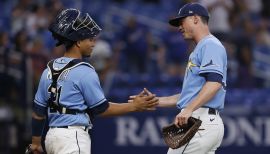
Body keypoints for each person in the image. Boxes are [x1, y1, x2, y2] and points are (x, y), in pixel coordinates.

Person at [30, 8, 158, 154]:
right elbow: (102, 109)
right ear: (78, 42)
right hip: (73, 137)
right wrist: (134, 106)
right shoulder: (84, 71)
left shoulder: (49, 70)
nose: (93, 44)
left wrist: (35, 143)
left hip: (51, 138)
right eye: (90, 39)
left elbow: (38, 113)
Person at [140, 3, 227, 154]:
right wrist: (156, 101)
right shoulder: (199, 49)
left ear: (195, 19)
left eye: (182, 21)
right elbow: (189, 96)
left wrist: (189, 109)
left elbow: (214, 83)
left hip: (200, 121)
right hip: (204, 121)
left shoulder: (210, 44)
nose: (179, 27)